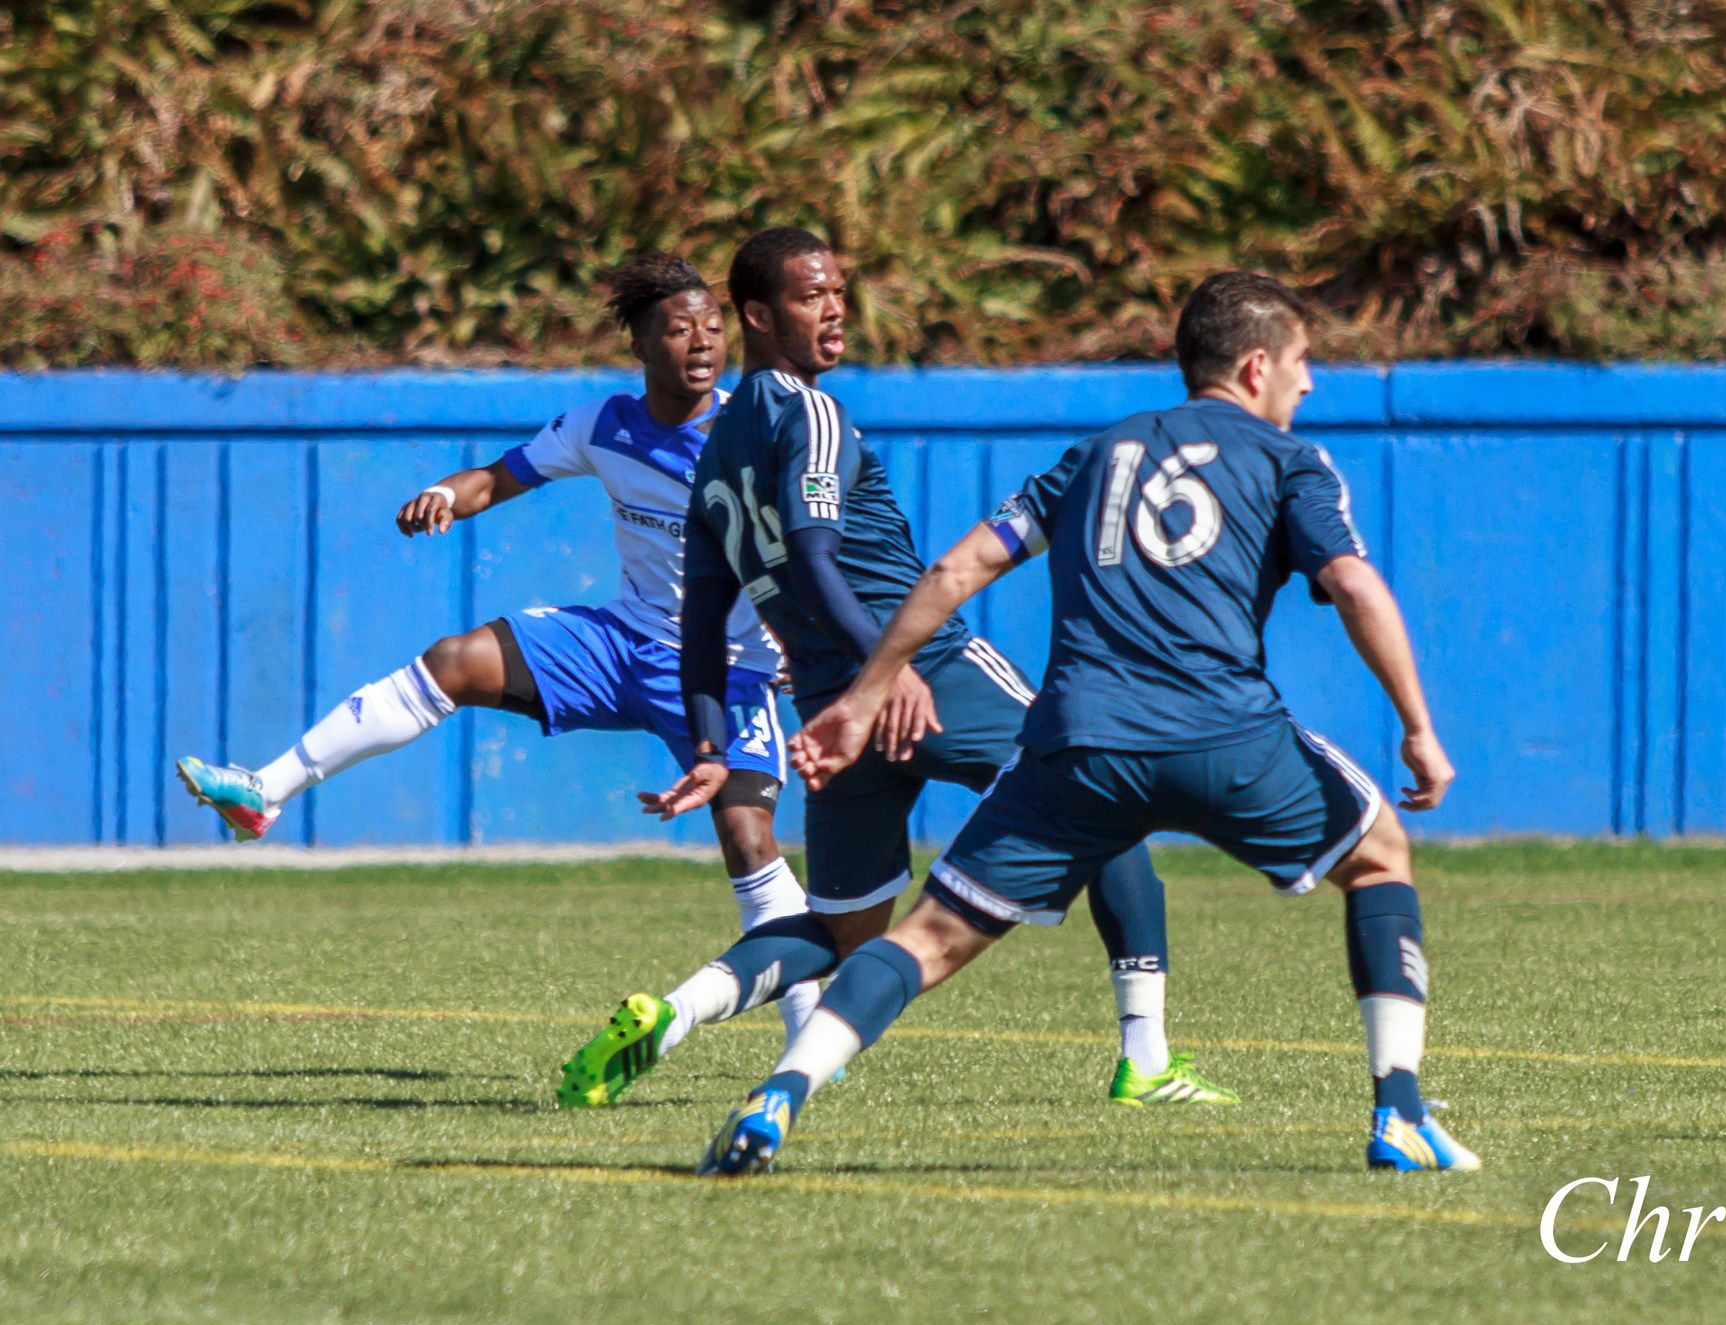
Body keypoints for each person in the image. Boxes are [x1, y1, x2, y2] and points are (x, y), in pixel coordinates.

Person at [697, 270, 1477, 1176]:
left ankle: (779, 1094)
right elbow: (1351, 582)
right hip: (1224, 732)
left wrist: (867, 694)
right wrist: (1418, 725)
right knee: (1380, 853)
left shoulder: (1098, 451)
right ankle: (1401, 1114)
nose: (1310, 384)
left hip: (1076, 748)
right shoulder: (1286, 459)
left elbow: (954, 572)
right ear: (1258, 364)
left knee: (923, 938)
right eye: (1304, 363)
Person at [563, 227, 1234, 1110]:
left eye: (839, 290)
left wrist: (713, 746)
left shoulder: (715, 458)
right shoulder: (808, 412)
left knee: (842, 932)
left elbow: (699, 627)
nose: (835, 308)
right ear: (758, 315)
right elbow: (811, 555)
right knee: (1106, 797)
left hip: (832, 709)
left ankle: (676, 1014)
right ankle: (1145, 1060)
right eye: (811, 295)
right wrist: (892, 667)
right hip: (923, 677)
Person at [173, 256, 829, 1066]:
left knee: (750, 845)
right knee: (454, 660)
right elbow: (497, 477)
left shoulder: (748, 435)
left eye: (713, 326)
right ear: (640, 341)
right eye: (679, 327)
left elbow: (804, 551)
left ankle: (812, 1044)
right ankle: (263, 793)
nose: (702, 343)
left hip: (728, 671)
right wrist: (447, 496)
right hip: (625, 642)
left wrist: (805, 640)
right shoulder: (603, 424)